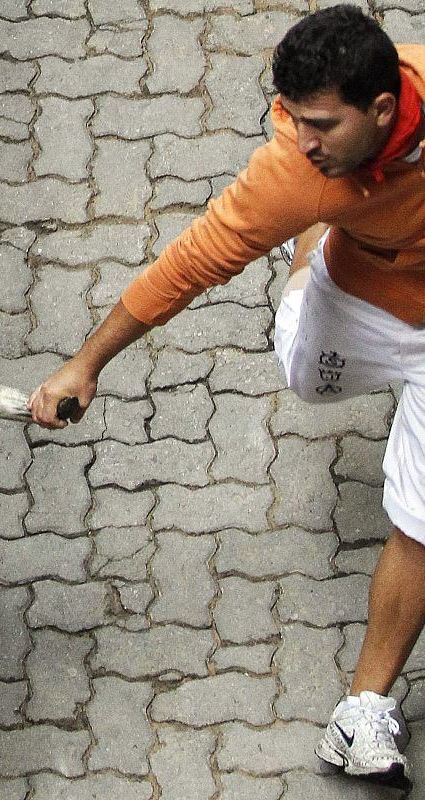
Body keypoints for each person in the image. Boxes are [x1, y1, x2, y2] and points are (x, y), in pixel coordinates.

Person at [29, 4, 425, 786]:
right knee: (304, 379)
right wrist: (86, 363)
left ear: (382, 109)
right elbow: (191, 262)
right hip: (366, 303)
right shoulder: (298, 170)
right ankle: (304, 254)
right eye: (289, 116)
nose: (299, 138)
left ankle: (361, 713)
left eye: (317, 121)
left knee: (421, 515)